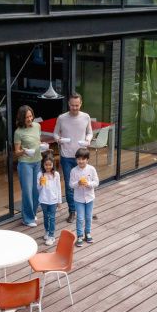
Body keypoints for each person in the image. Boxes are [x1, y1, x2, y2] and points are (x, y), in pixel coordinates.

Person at [54, 93, 93, 223]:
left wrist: (88, 139)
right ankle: (72, 211)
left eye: (77, 105)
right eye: (72, 105)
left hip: (82, 157)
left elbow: (90, 132)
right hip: (66, 156)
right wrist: (58, 139)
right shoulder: (62, 118)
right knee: (70, 186)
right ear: (68, 104)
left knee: (84, 183)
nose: (74, 108)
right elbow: (55, 133)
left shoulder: (86, 117)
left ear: (81, 104)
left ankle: (83, 208)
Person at [13, 105, 42, 227]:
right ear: (21, 118)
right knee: (27, 191)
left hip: (37, 161)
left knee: (36, 190)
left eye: (30, 116)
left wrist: (42, 145)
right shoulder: (18, 132)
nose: (30, 119)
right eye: (26, 117)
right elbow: (17, 152)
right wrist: (24, 151)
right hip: (25, 163)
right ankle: (27, 219)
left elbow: (37, 141)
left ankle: (32, 213)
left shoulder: (37, 126)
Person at [69, 148, 99, 247]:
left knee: (88, 217)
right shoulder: (73, 171)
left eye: (83, 159)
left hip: (90, 197)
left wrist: (88, 184)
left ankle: (88, 233)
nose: (80, 161)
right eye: (78, 159)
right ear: (76, 160)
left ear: (87, 159)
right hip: (78, 199)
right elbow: (71, 185)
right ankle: (80, 236)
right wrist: (78, 183)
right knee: (80, 218)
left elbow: (96, 182)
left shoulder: (92, 169)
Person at [36, 151, 61, 246]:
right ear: (43, 164)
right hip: (43, 200)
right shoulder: (40, 175)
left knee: (52, 217)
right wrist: (41, 184)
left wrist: (59, 201)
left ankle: (51, 235)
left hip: (53, 200)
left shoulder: (56, 175)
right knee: (46, 217)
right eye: (46, 165)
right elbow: (38, 188)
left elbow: (58, 188)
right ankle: (47, 231)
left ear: (53, 164)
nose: (48, 167)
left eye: (50, 165)